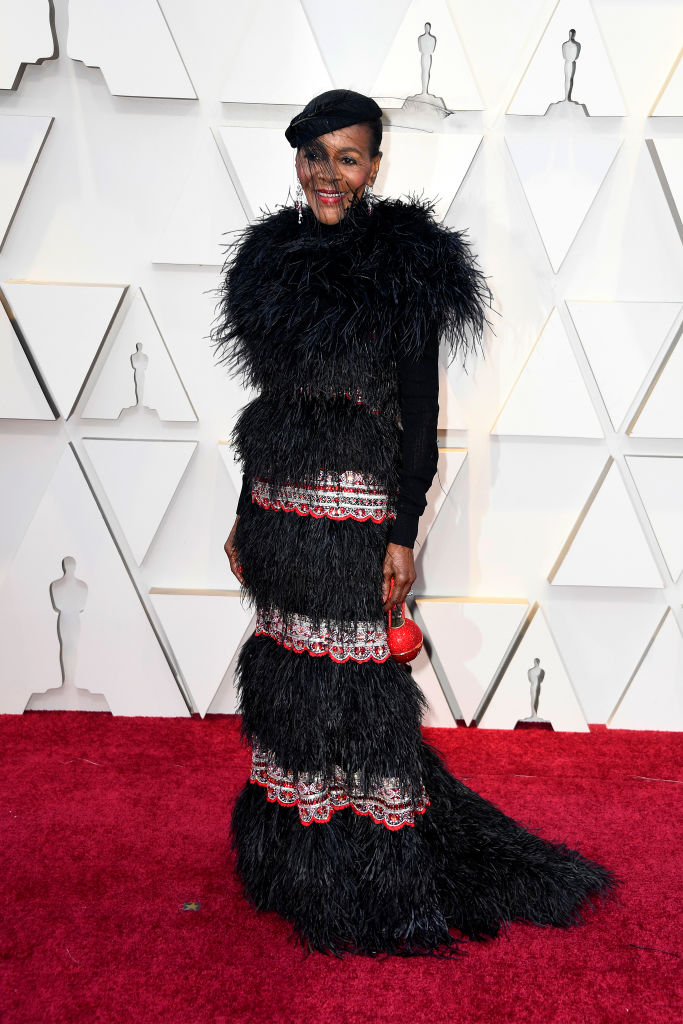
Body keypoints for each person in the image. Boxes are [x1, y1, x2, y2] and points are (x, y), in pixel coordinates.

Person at [209, 88, 621, 958]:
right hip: (281, 517)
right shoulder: (269, 264)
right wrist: (245, 513)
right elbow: (270, 409)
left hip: (357, 519)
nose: (329, 173)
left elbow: (417, 412)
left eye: (347, 156)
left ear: (374, 166)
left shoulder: (405, 268)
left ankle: (367, 867)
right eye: (315, 155)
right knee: (288, 682)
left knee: (358, 697)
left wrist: (401, 532)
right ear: (297, 161)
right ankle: (294, 855)